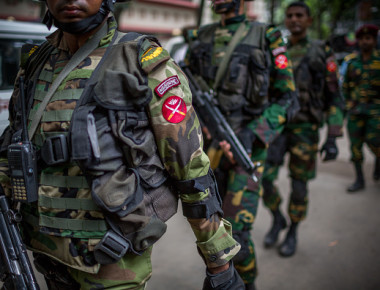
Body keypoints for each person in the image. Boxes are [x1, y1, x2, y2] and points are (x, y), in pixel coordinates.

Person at [0, 0, 245, 289]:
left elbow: (189, 167)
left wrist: (219, 261)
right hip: (42, 249)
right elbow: (13, 144)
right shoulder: (36, 61)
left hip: (111, 256)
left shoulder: (142, 60)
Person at [186, 0, 298, 288]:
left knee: (238, 237)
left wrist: (253, 134)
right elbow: (183, 86)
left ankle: (247, 285)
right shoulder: (202, 35)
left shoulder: (267, 36)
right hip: (207, 148)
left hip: (245, 147)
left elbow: (288, 98)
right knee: (211, 234)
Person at [261, 1, 344, 257]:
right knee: (263, 176)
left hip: (306, 128)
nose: (294, 19)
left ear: (308, 20)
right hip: (277, 127)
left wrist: (332, 136)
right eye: (290, 15)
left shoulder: (320, 51)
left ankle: (293, 230)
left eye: (299, 15)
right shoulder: (278, 50)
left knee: (299, 185)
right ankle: (277, 217)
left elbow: (334, 96)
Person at [342, 24, 380, 192]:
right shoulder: (352, 62)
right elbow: (346, 87)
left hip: (376, 112)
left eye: (368, 38)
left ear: (374, 40)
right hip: (356, 112)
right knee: (355, 148)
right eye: (362, 39)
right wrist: (347, 105)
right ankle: (359, 179)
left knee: (375, 142)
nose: (365, 42)